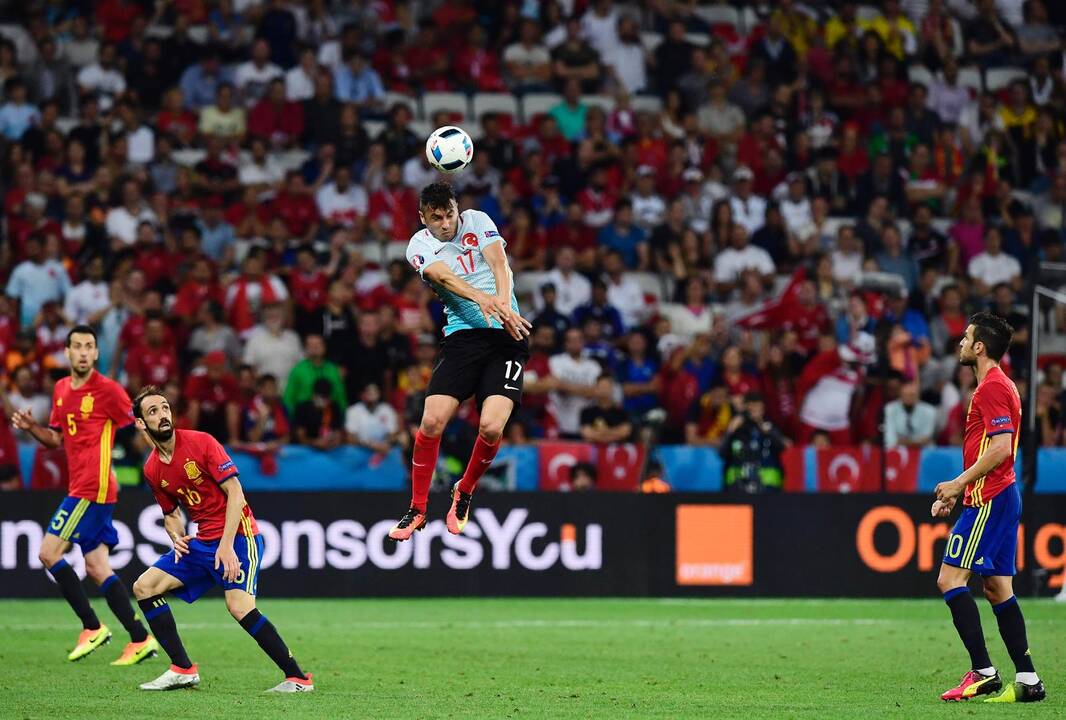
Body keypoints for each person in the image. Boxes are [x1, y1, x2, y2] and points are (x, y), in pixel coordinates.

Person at [128, 386, 312, 693]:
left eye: (164, 408)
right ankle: (183, 669)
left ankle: (298, 678)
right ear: (141, 423)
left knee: (238, 606)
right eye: (152, 412)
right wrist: (174, 534)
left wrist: (226, 546)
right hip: (202, 542)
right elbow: (171, 512)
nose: (162, 415)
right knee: (144, 587)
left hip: (239, 535)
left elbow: (237, 495)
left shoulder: (202, 442)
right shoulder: (152, 468)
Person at [390, 182, 531, 540]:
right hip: (463, 338)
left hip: (507, 338)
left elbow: (500, 262)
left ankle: (464, 490)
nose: (445, 223)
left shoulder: (477, 219)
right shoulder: (419, 245)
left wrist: (501, 304)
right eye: (436, 218)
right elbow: (443, 277)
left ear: (457, 208)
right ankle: (417, 509)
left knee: (491, 428)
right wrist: (480, 298)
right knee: (432, 420)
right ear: (424, 218)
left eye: (449, 213)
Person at [11, 326, 157, 664]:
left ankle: (92, 626)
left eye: (89, 346)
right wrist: (33, 428)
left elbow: (137, 424)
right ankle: (140, 638)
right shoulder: (61, 389)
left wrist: (164, 460)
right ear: (67, 352)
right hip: (81, 485)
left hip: (93, 487)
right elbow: (56, 440)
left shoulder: (108, 390)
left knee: (49, 553)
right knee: (96, 566)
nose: (82, 352)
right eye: (76, 346)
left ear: (95, 354)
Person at [933, 312, 1044, 703]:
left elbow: (999, 448)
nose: (961, 343)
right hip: (998, 496)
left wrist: (959, 484)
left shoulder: (991, 388)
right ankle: (1028, 679)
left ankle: (983, 671)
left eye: (966, 338)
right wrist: (957, 492)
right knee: (997, 588)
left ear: (980, 346)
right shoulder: (1000, 385)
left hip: (989, 500)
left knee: (950, 580)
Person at [719, 392, 787, 493]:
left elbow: (782, 447)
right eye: (751, 406)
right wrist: (730, 431)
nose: (754, 410)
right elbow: (722, 453)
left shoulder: (769, 427)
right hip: (737, 488)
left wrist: (768, 432)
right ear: (745, 407)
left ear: (763, 408)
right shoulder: (737, 428)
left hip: (767, 489)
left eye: (757, 406)